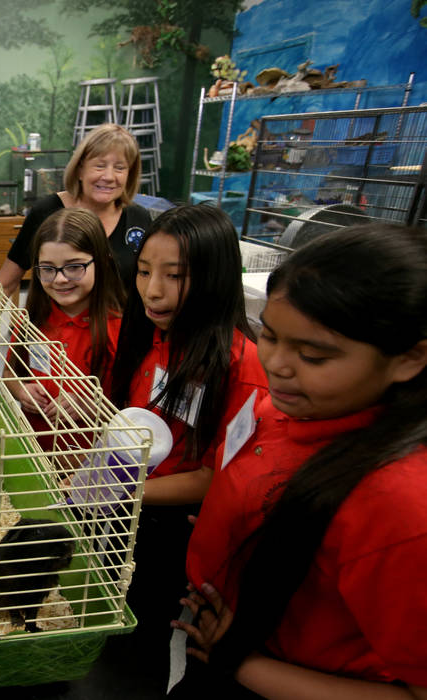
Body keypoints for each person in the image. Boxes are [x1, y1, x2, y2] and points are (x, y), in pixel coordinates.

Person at [174, 224, 427, 698]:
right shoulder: (292, 406)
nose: (277, 364)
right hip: (224, 628)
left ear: (409, 358)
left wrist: (244, 666)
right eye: (268, 336)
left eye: (313, 355)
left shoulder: (401, 508)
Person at [99, 204, 267, 697]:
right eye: (145, 272)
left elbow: (216, 477)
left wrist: (124, 492)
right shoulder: (152, 336)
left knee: (142, 636)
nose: (152, 290)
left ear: (214, 278)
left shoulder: (241, 366)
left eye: (175, 276)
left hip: (171, 530)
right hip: (128, 506)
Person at [3, 207, 125, 448]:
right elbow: (9, 373)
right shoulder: (32, 321)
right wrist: (21, 391)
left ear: (101, 262)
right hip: (35, 451)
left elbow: (132, 408)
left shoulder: (119, 327)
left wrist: (91, 404)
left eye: (74, 267)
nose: (59, 279)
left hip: (91, 463)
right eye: (47, 269)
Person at [0, 123, 152, 299]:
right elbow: (5, 282)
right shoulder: (47, 212)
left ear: (130, 174)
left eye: (119, 168)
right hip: (53, 324)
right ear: (79, 170)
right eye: (99, 166)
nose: (108, 177)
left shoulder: (139, 218)